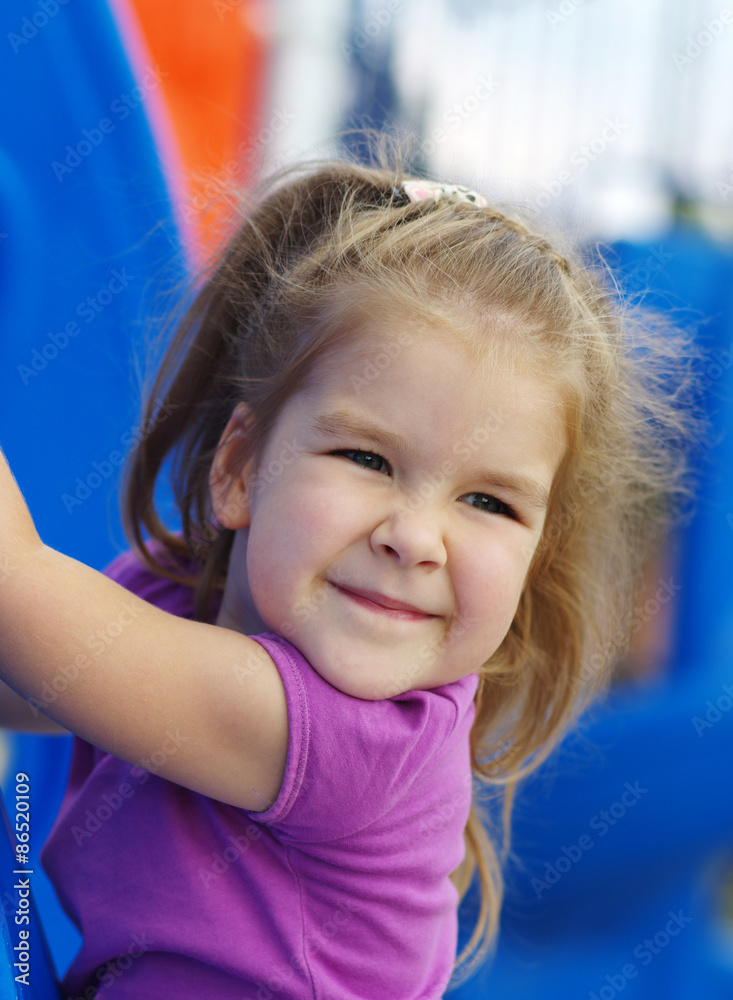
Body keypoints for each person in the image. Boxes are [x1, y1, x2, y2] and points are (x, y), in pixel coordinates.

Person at [0, 155, 699, 999]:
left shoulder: (365, 741)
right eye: (367, 458)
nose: (414, 538)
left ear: (534, 559)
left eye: (487, 502)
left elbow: (16, 598)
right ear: (238, 468)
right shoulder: (168, 604)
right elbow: (24, 674)